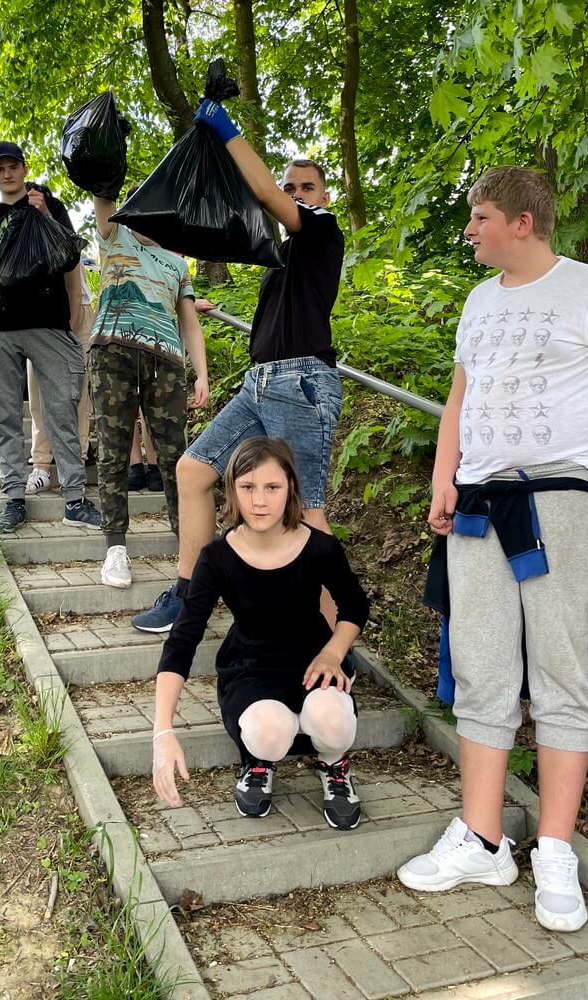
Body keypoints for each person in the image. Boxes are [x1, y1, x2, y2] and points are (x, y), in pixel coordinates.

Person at [397, 166, 588, 933]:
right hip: (476, 504)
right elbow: (460, 397)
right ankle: (482, 838)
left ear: (523, 222)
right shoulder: (477, 301)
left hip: (561, 498)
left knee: (561, 674)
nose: (469, 229)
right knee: (482, 665)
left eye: (481, 216)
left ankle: (553, 847)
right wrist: (442, 477)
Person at [132, 99, 345, 632]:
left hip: (301, 383)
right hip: (260, 383)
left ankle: (334, 642)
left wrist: (225, 128)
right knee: (192, 470)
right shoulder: (281, 258)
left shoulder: (322, 230)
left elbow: (265, 193)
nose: (296, 193)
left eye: (307, 187)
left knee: (309, 509)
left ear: (324, 197)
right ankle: (189, 595)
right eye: (292, 187)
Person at [151, 437, 369, 830]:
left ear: (290, 489)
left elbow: (355, 606)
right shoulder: (217, 558)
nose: (259, 501)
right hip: (250, 668)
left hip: (314, 664)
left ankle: (333, 764)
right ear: (232, 489)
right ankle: (258, 760)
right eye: (247, 487)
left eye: (272, 487)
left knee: (332, 722)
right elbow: (183, 640)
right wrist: (162, 732)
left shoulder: (319, 548)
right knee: (268, 732)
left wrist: (334, 653)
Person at [0, 141, 100, 533]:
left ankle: (74, 499)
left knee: (62, 411)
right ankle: (13, 499)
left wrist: (73, 317)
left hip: (48, 324)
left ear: (24, 169)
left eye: (13, 166)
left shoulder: (49, 205)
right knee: (7, 417)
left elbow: (71, 257)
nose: (7, 174)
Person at [90, 186, 209, 589]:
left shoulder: (178, 264)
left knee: (177, 457)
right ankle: (115, 548)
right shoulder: (114, 235)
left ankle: (188, 543)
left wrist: (202, 373)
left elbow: (189, 322)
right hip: (112, 354)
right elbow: (102, 195)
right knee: (113, 450)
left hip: (167, 363)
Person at [24, 259, 95, 496]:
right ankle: (41, 465)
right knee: (38, 393)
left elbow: (75, 294)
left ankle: (77, 464)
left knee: (78, 395)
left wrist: (69, 334)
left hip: (76, 314)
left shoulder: (62, 234)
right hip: (38, 317)